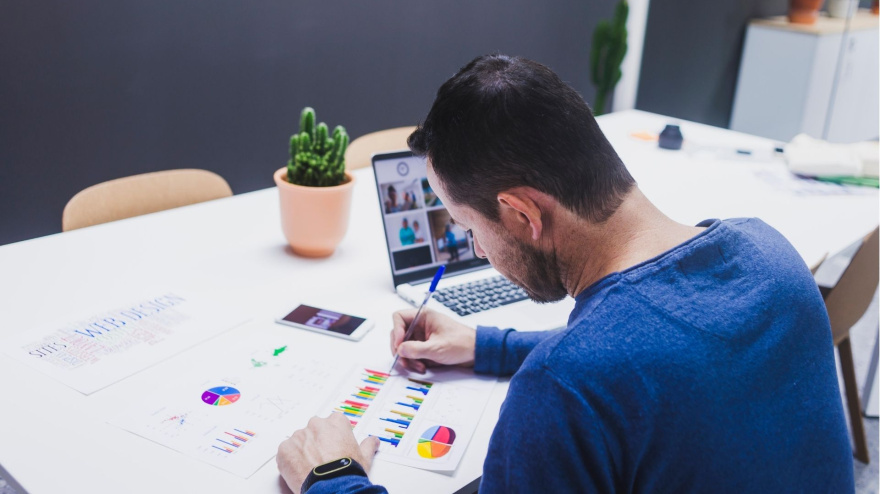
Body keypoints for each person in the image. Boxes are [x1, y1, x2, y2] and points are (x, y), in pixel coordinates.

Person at [277, 55, 854, 493]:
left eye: (467, 226)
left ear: (523, 213)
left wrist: (331, 475)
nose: (476, 250)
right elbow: (654, 352)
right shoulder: (768, 254)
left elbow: (608, 368)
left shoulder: (563, 389)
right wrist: (487, 344)